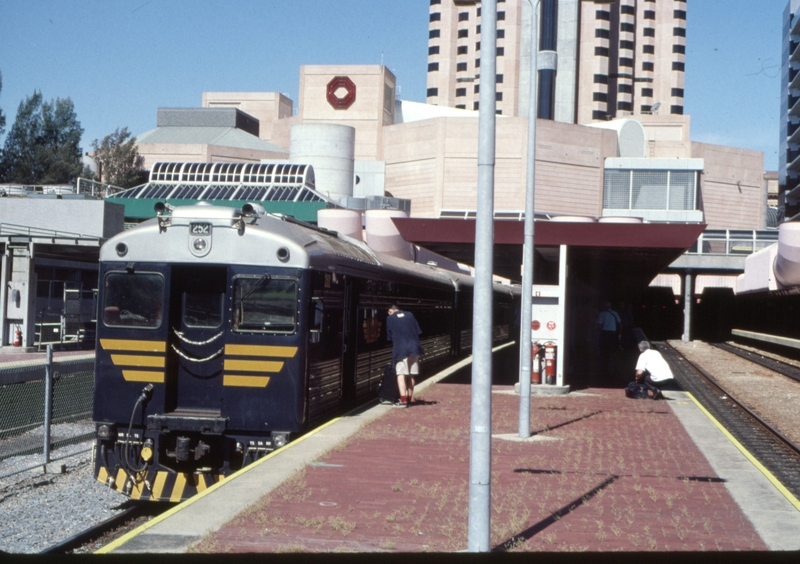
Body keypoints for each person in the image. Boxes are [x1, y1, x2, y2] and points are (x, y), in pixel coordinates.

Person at [386, 305, 424, 408]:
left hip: (401, 349)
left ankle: (403, 401)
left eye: (389, 312)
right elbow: (418, 331)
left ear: (392, 310)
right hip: (415, 348)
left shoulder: (390, 318)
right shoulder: (410, 315)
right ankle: (409, 398)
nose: (388, 314)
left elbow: (389, 337)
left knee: (401, 374)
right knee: (411, 374)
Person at [596, 301, 621, 376]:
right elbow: (620, 324)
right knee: (612, 351)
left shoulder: (601, 314)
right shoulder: (615, 313)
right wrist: (619, 333)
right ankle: (612, 369)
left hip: (604, 334)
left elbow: (599, 325)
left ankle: (604, 369)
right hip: (613, 334)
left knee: (603, 352)